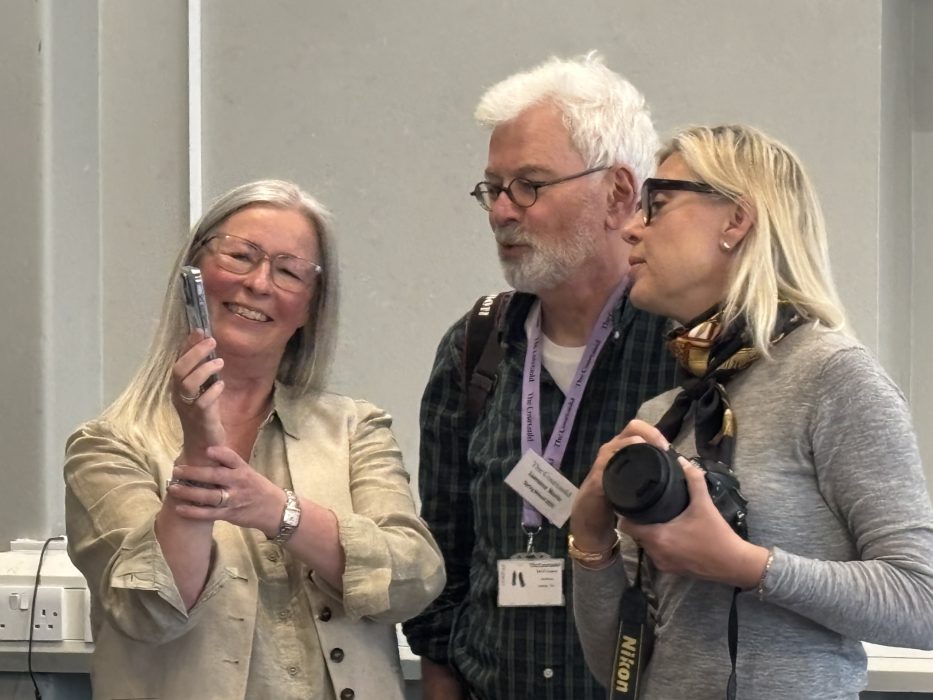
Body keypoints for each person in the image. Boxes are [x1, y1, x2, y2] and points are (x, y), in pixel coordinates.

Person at [570, 124, 933, 699]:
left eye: (657, 204)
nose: (632, 228)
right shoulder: (667, 412)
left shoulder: (832, 376)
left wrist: (747, 565)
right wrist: (590, 541)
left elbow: (923, 601)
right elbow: (617, 665)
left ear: (735, 220)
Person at [64, 179, 445, 700]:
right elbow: (147, 611)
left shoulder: (355, 428)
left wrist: (276, 510)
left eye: (289, 271)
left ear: (311, 307)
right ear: (193, 275)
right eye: (242, 256)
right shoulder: (108, 446)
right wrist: (198, 450)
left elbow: (413, 579)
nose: (259, 283)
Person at [402, 53, 679, 700]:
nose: (501, 211)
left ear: (617, 195)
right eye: (492, 188)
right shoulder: (474, 346)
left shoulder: (683, 348)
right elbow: (442, 553)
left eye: (528, 184)